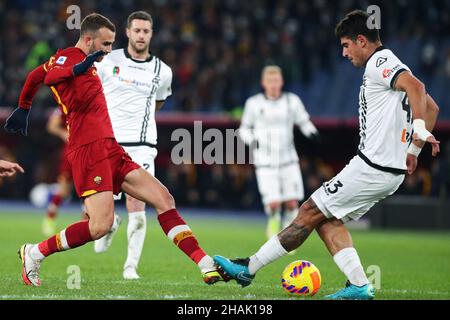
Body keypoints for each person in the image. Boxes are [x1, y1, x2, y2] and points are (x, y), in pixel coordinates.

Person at [214, 10, 440, 300]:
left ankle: (247, 268)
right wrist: (413, 152)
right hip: (386, 170)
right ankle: (359, 285)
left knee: (309, 210)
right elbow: (431, 107)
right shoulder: (393, 64)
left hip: (372, 167)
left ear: (362, 40)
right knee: (326, 219)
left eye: (346, 45)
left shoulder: (379, 62)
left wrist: (418, 131)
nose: (344, 53)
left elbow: (417, 88)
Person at [4, 13, 227, 287]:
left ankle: (206, 264)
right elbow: (50, 77)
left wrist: (23, 107)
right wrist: (76, 70)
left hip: (110, 147)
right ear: (89, 39)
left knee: (164, 198)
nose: (109, 50)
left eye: (112, 44)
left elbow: (34, 75)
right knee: (100, 226)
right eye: (106, 44)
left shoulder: (90, 61)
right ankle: (35, 253)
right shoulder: (70, 59)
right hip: (88, 150)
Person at [92, 11, 173, 280]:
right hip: (109, 143)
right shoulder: (108, 61)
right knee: (94, 210)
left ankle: (130, 267)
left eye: (146, 31)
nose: (141, 35)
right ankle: (111, 223)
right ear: (127, 32)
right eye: (136, 30)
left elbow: (158, 104)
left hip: (142, 146)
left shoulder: (163, 71)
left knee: (137, 207)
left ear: (151, 34)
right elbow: (93, 93)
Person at [239, 65, 319, 239]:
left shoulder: (292, 101)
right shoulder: (254, 103)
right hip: (266, 161)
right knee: (274, 204)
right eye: (270, 81)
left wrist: (313, 133)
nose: (273, 84)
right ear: (263, 83)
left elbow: (304, 121)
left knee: (291, 203)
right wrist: (253, 140)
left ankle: (288, 237)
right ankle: (273, 222)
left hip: (288, 160)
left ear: (281, 82)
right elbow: (244, 129)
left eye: (276, 81)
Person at [42, 109, 73, 236]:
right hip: (70, 152)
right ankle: (49, 219)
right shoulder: (63, 106)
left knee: (90, 189)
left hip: (88, 152)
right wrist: (63, 133)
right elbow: (51, 126)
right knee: (63, 190)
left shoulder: (92, 102)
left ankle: (88, 223)